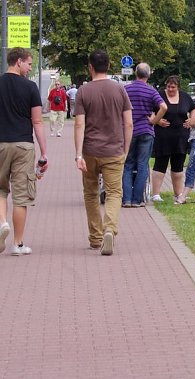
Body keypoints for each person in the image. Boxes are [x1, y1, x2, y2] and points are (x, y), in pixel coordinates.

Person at [74, 50, 133, 256]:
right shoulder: (120, 90)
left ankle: (95, 237)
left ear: (90, 67)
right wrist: (125, 149)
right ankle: (110, 228)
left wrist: (78, 155)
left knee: (90, 194)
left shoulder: (83, 91)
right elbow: (129, 123)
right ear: (108, 66)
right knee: (114, 193)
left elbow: (79, 125)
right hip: (114, 150)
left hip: (90, 150)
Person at [0, 48, 49, 256]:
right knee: (21, 197)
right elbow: (37, 121)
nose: (30, 68)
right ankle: (18, 244)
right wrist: (44, 152)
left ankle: (2, 223)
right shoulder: (30, 87)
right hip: (23, 145)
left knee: (1, 189)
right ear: (18, 62)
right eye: (29, 64)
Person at [121, 63, 168, 208]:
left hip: (129, 131)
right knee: (142, 165)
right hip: (146, 131)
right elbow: (164, 107)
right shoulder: (151, 91)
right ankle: (137, 200)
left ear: (136, 73)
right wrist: (154, 121)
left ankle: (127, 199)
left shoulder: (125, 89)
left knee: (128, 165)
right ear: (148, 75)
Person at [150, 76, 195, 203]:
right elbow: (150, 111)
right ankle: (155, 194)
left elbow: (193, 109)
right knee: (160, 164)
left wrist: (191, 120)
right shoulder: (159, 96)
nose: (170, 89)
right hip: (163, 136)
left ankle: (178, 193)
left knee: (178, 166)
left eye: (173, 87)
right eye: (168, 87)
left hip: (180, 137)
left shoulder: (185, 97)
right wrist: (157, 121)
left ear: (178, 87)